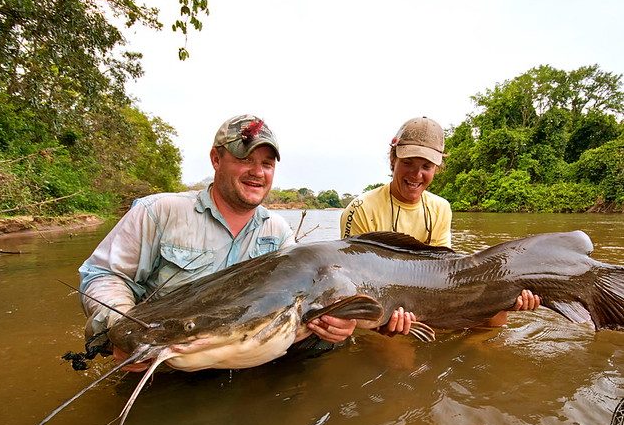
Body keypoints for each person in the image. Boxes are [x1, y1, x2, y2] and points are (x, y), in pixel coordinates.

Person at [79, 114, 356, 371]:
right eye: (245, 159)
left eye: (267, 164)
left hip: (236, 362)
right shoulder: (159, 212)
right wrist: (124, 329)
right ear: (215, 159)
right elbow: (103, 274)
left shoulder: (278, 231)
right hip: (159, 360)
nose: (257, 173)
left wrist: (334, 326)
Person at [340, 116, 540, 336]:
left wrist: (508, 297)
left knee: (497, 316)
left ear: (437, 168)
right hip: (382, 308)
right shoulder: (360, 208)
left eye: (426, 166)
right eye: (408, 163)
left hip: (427, 295)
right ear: (393, 159)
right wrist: (384, 325)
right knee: (402, 364)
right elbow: (350, 285)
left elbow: (444, 268)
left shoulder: (440, 207)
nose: (416, 175)